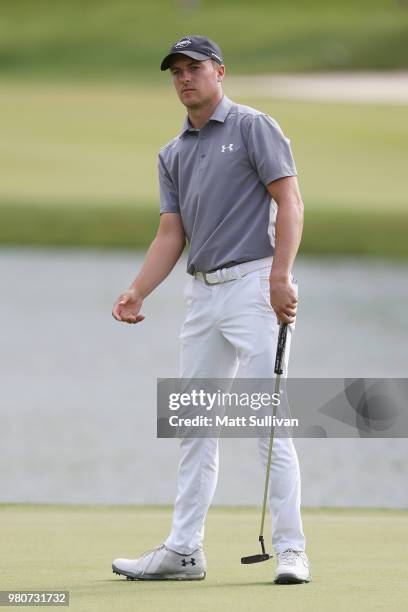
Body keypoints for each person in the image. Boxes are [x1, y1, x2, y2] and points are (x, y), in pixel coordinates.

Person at [111, 35, 310, 584]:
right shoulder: (172, 152)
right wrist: (138, 291)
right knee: (194, 425)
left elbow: (289, 201)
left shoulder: (252, 126)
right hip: (202, 295)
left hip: (254, 285)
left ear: (218, 72)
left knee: (266, 422)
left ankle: (292, 550)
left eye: (193, 68)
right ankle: (184, 551)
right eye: (175, 71)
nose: (183, 78)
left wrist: (280, 276)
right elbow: (170, 235)